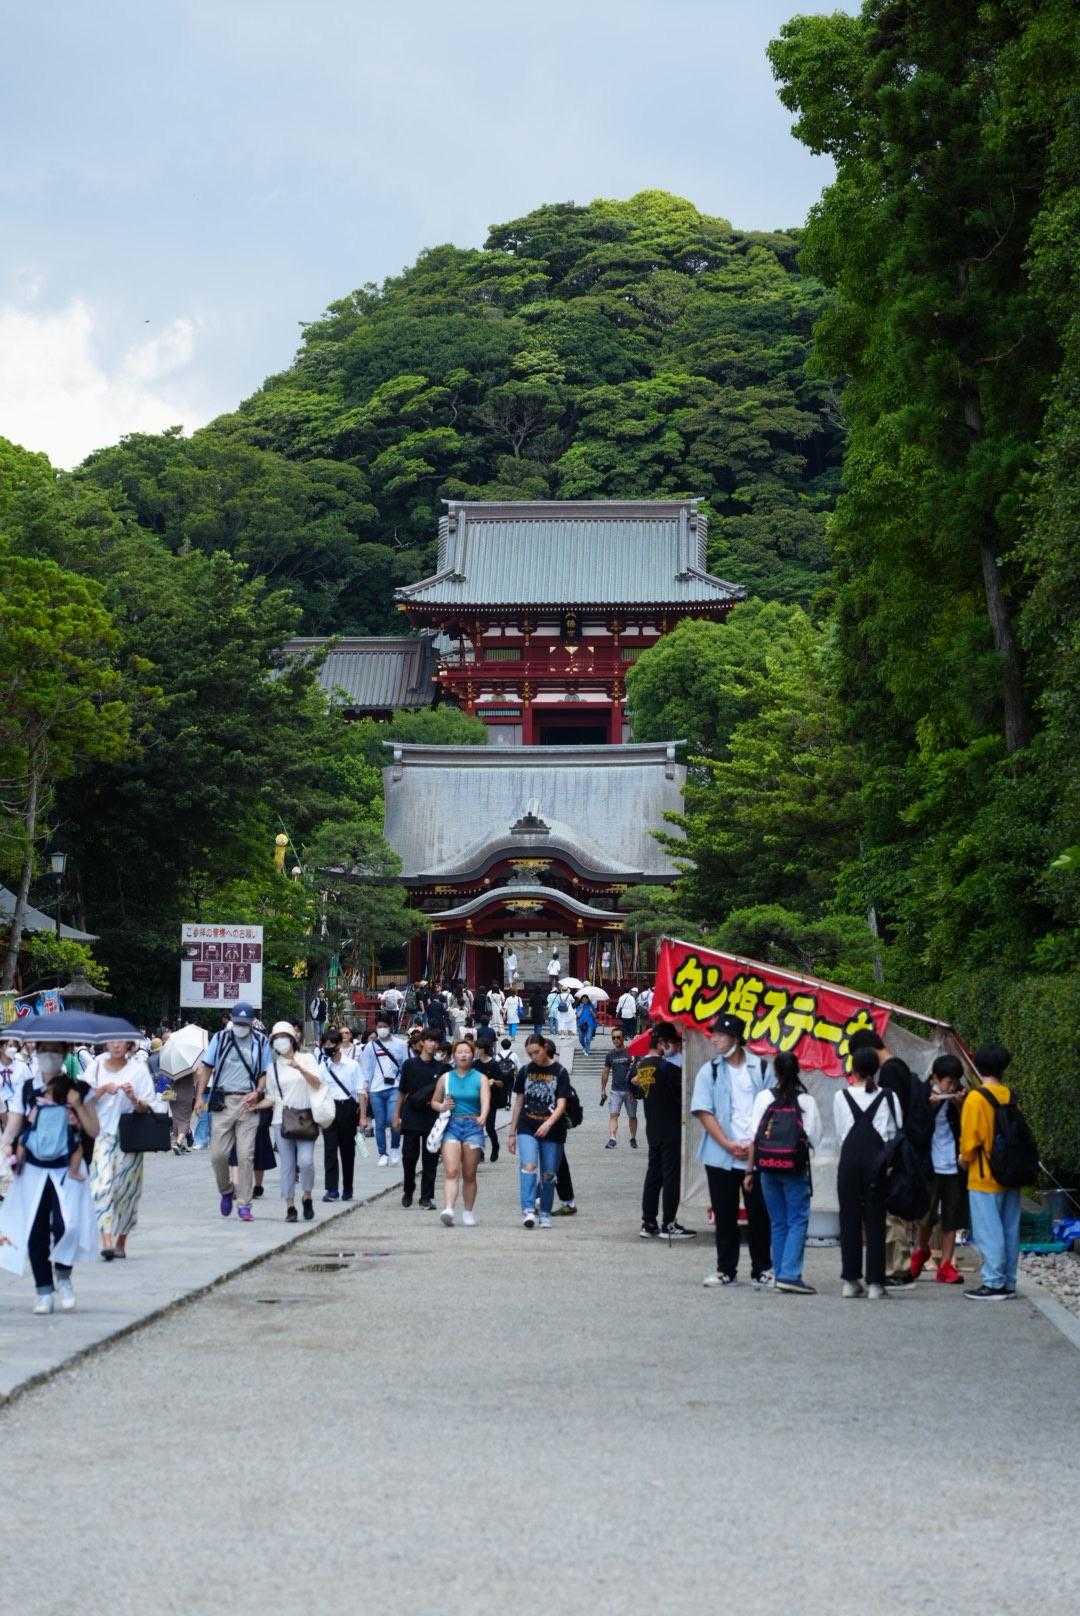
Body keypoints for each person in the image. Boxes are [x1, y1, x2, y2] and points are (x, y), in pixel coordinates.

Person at [0, 1046, 100, 1314]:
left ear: (65, 1052)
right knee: (36, 1229)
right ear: (36, 1051)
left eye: (56, 1050)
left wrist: (77, 1104)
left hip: (68, 1166)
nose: (49, 1055)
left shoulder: (80, 1088)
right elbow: (14, 1125)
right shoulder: (26, 1088)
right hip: (32, 1167)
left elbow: (94, 1130)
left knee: (69, 1225)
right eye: (44, 1049)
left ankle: (64, 1276)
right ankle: (43, 1290)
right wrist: (6, 1146)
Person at [691, 1013, 774, 1288]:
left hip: (756, 1154)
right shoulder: (710, 1071)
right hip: (720, 1154)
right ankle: (726, 1269)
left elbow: (774, 1110)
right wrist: (727, 1143)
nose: (713, 1039)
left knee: (760, 1214)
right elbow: (703, 1111)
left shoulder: (762, 1068)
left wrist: (754, 1145)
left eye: (719, 1034)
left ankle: (763, 1268)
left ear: (735, 1038)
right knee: (724, 1213)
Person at [745, 1052, 821, 1294]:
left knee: (777, 1221)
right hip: (794, 1168)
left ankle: (779, 1272)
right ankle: (790, 1274)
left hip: (766, 1167)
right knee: (797, 1219)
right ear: (797, 1070)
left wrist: (749, 1171)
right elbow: (814, 1137)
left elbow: (753, 1137)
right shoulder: (806, 1101)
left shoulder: (764, 1097)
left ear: (775, 1072)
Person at [191, 1002, 273, 1223]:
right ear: (231, 1021)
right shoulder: (219, 1038)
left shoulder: (261, 1042)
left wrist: (258, 1092)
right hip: (223, 1102)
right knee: (218, 1155)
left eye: (245, 1024)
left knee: (246, 1156)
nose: (241, 1027)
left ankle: (244, 1203)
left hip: (248, 1103)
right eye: (238, 1023)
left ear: (252, 1023)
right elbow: (206, 1067)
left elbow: (265, 1072)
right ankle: (226, 1190)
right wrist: (199, 1097)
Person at [84, 1038, 162, 1259]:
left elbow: (147, 1106)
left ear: (128, 1045)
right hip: (103, 1135)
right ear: (106, 1044)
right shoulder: (96, 1065)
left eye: (121, 1041)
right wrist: (102, 1090)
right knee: (101, 1186)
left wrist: (133, 1098)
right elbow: (82, 1098)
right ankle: (106, 1240)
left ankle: (121, 1241)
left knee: (127, 1191)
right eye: (112, 1041)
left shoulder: (138, 1070)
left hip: (130, 1137)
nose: (116, 1045)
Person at [834, 1046, 902, 1299]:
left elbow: (841, 1131)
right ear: (876, 1069)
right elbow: (895, 1131)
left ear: (853, 1069)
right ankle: (875, 1283)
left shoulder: (841, 1096)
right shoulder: (888, 1096)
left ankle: (850, 1281)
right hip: (877, 1163)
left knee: (849, 1220)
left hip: (849, 1161)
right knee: (875, 1221)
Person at [959, 1043, 1022, 1301]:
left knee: (989, 1230)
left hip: (984, 1174)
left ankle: (993, 1282)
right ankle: (1008, 1281)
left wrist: (963, 1160)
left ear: (978, 1065)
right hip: (1012, 1172)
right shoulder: (1009, 1095)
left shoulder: (976, 1098)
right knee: (1009, 1229)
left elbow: (969, 1142)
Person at [633, 1022, 694, 1240]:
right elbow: (686, 1095)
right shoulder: (669, 1069)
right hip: (671, 1128)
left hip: (653, 1128)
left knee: (653, 1175)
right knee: (671, 1177)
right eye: (675, 1044)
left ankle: (648, 1222)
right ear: (663, 1044)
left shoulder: (640, 1066)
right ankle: (669, 1223)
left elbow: (636, 1090)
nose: (677, 1049)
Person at [909, 1053, 966, 1285]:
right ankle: (921, 1249)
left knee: (952, 1217)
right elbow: (915, 1129)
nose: (952, 1087)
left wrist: (959, 1105)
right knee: (927, 1215)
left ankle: (945, 1266)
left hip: (954, 1163)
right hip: (930, 1164)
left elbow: (967, 1126)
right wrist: (930, 1107)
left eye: (955, 1082)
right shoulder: (922, 1093)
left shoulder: (960, 1096)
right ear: (935, 1077)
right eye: (948, 1082)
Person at [265, 1022, 327, 1222]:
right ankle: (290, 1205)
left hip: (305, 1118)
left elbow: (317, 1083)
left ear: (293, 1039)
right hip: (281, 1120)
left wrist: (300, 1068)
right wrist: (254, 1104)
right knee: (287, 1165)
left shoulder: (307, 1059)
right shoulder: (272, 1068)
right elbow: (271, 1097)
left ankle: (307, 1195)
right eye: (276, 1038)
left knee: (306, 1161)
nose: (281, 1041)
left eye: (284, 1036)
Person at [509, 1036, 569, 1230]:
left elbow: (561, 1104)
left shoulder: (560, 1072)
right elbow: (519, 1102)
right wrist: (511, 1132)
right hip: (527, 1125)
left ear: (545, 1047)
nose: (534, 1056)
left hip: (553, 1129)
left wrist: (549, 1123)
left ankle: (544, 1212)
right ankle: (528, 1209)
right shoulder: (525, 1071)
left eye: (536, 1052)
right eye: (530, 1054)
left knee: (548, 1174)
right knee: (528, 1165)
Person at [431, 1038, 490, 1227]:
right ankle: (449, 1208)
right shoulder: (446, 1078)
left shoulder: (480, 1078)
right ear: (454, 1056)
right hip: (452, 1125)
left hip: (473, 1125)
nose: (463, 1055)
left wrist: (483, 1116)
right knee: (451, 1170)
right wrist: (442, 1106)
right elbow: (434, 1101)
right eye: (459, 1052)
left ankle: (468, 1211)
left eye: (467, 1052)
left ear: (473, 1055)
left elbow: (485, 1100)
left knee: (469, 1173)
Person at [395, 1031, 446, 1208]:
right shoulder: (409, 1064)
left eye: (436, 1041)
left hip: (432, 1116)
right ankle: (408, 1188)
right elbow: (402, 1091)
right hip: (412, 1115)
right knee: (409, 1157)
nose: (433, 1044)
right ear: (422, 1042)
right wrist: (396, 1115)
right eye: (430, 1040)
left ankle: (426, 1196)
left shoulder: (441, 1068)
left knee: (430, 1158)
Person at [317, 1028, 362, 1203]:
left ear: (338, 1045)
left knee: (347, 1150)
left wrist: (363, 1116)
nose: (328, 1047)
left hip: (347, 1108)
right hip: (329, 1108)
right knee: (329, 1149)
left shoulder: (352, 1065)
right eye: (325, 1044)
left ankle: (348, 1187)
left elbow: (361, 1091)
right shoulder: (323, 1066)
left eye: (331, 1044)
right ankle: (332, 1189)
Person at [358, 1018, 408, 1166]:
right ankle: (382, 1153)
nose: (382, 1029)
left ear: (390, 1027)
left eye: (385, 1026)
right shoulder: (370, 1046)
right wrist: (365, 1088)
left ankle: (394, 1147)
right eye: (379, 1026)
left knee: (393, 1120)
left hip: (395, 1087)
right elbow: (366, 1068)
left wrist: (404, 1083)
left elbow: (406, 1065)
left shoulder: (401, 1044)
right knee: (379, 1123)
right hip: (376, 1089)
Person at [601, 1027, 638, 1149]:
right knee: (613, 1115)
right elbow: (605, 1072)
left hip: (630, 1091)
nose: (615, 1040)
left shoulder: (630, 1052)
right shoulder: (610, 1055)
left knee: (632, 1116)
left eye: (618, 1037)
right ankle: (612, 1138)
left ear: (623, 1038)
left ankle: (633, 1138)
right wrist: (603, 1089)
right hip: (615, 1090)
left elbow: (637, 1070)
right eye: (613, 1038)